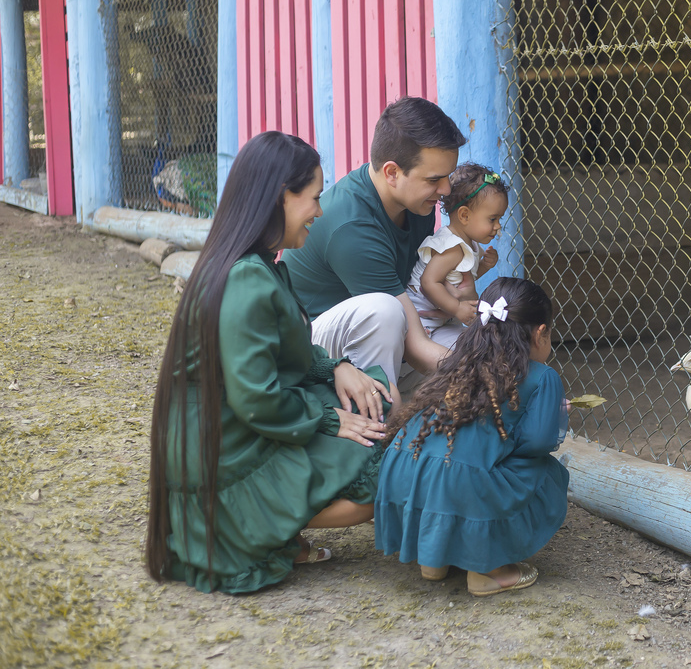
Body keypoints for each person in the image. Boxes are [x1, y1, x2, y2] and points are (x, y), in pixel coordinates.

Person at [145, 131, 395, 595]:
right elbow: (257, 398)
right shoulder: (245, 279)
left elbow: (287, 350)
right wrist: (326, 418)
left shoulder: (254, 264)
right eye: (315, 198)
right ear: (282, 196)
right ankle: (255, 527)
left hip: (236, 425)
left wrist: (334, 366)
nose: (320, 212)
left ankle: (277, 522)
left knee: (373, 408)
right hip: (226, 447)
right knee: (374, 473)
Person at [375, 277, 571, 597]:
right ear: (540, 333)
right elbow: (538, 442)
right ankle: (488, 570)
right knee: (546, 472)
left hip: (404, 467)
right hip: (454, 482)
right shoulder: (543, 376)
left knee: (453, 467)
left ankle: (434, 561)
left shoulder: (457, 363)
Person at [282, 96, 467, 389]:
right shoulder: (353, 226)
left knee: (473, 345)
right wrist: (484, 376)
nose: (445, 189)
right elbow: (415, 346)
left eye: (447, 177)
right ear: (392, 173)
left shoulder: (416, 203)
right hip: (306, 348)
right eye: (434, 179)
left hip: (373, 338)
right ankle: (382, 418)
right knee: (386, 313)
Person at [406, 163, 508, 344]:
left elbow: (461, 278)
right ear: (464, 216)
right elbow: (429, 282)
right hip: (421, 320)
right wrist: (458, 308)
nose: (498, 226)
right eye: (492, 219)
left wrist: (485, 265)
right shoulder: (452, 248)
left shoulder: (469, 243)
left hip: (441, 319)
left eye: (499, 219)